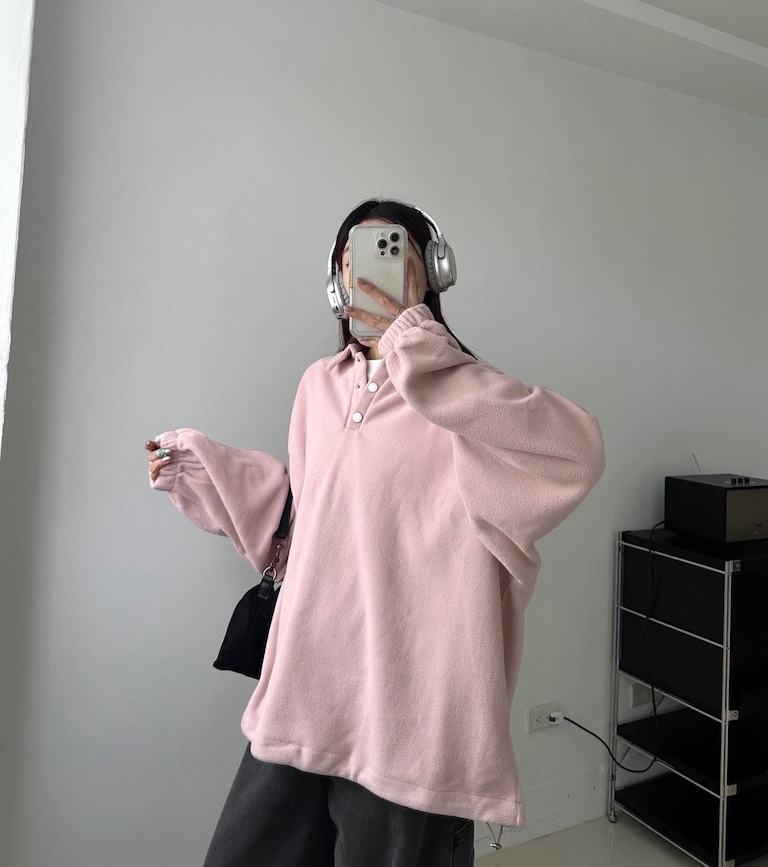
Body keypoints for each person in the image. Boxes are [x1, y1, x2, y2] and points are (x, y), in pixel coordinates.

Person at [146, 198, 605, 867]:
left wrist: (414, 344)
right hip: (303, 692)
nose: (367, 276)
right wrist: (204, 470)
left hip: (409, 724)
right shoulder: (318, 385)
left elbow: (576, 453)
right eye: (351, 262)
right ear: (335, 283)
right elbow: (308, 521)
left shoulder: (465, 399)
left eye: (394, 257)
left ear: (432, 277)